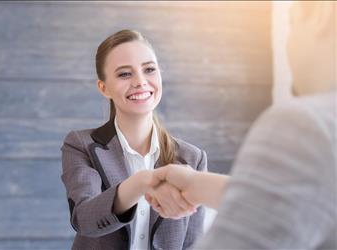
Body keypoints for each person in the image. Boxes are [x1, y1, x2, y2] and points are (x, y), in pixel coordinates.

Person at [148, 1, 336, 249]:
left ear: (321, 12)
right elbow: (294, 200)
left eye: (292, 23)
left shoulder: (306, 126)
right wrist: (196, 185)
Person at [60, 29, 207, 250]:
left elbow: (193, 245)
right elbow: (85, 219)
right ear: (104, 88)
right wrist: (143, 182)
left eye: (149, 69)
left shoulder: (192, 158)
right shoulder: (81, 145)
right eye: (124, 74)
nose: (140, 81)